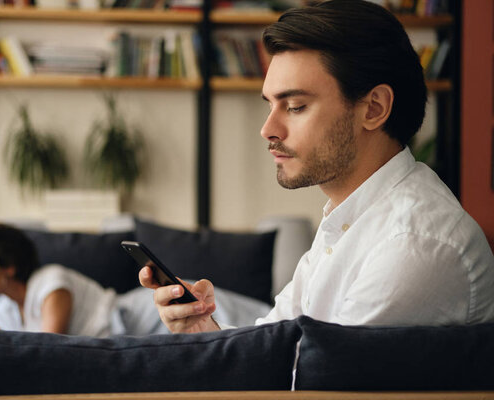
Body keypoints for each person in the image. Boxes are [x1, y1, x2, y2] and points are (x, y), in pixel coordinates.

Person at [140, 0, 494, 334]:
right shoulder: (348, 222)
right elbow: (275, 349)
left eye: (294, 106)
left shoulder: (414, 245)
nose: (268, 130)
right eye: (271, 105)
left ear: (374, 108)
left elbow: (314, 383)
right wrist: (205, 329)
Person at [0, 223, 270, 335]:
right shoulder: (7, 307)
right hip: (141, 332)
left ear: (8, 266)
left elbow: (48, 349)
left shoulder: (50, 284)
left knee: (245, 322)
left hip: (139, 315)